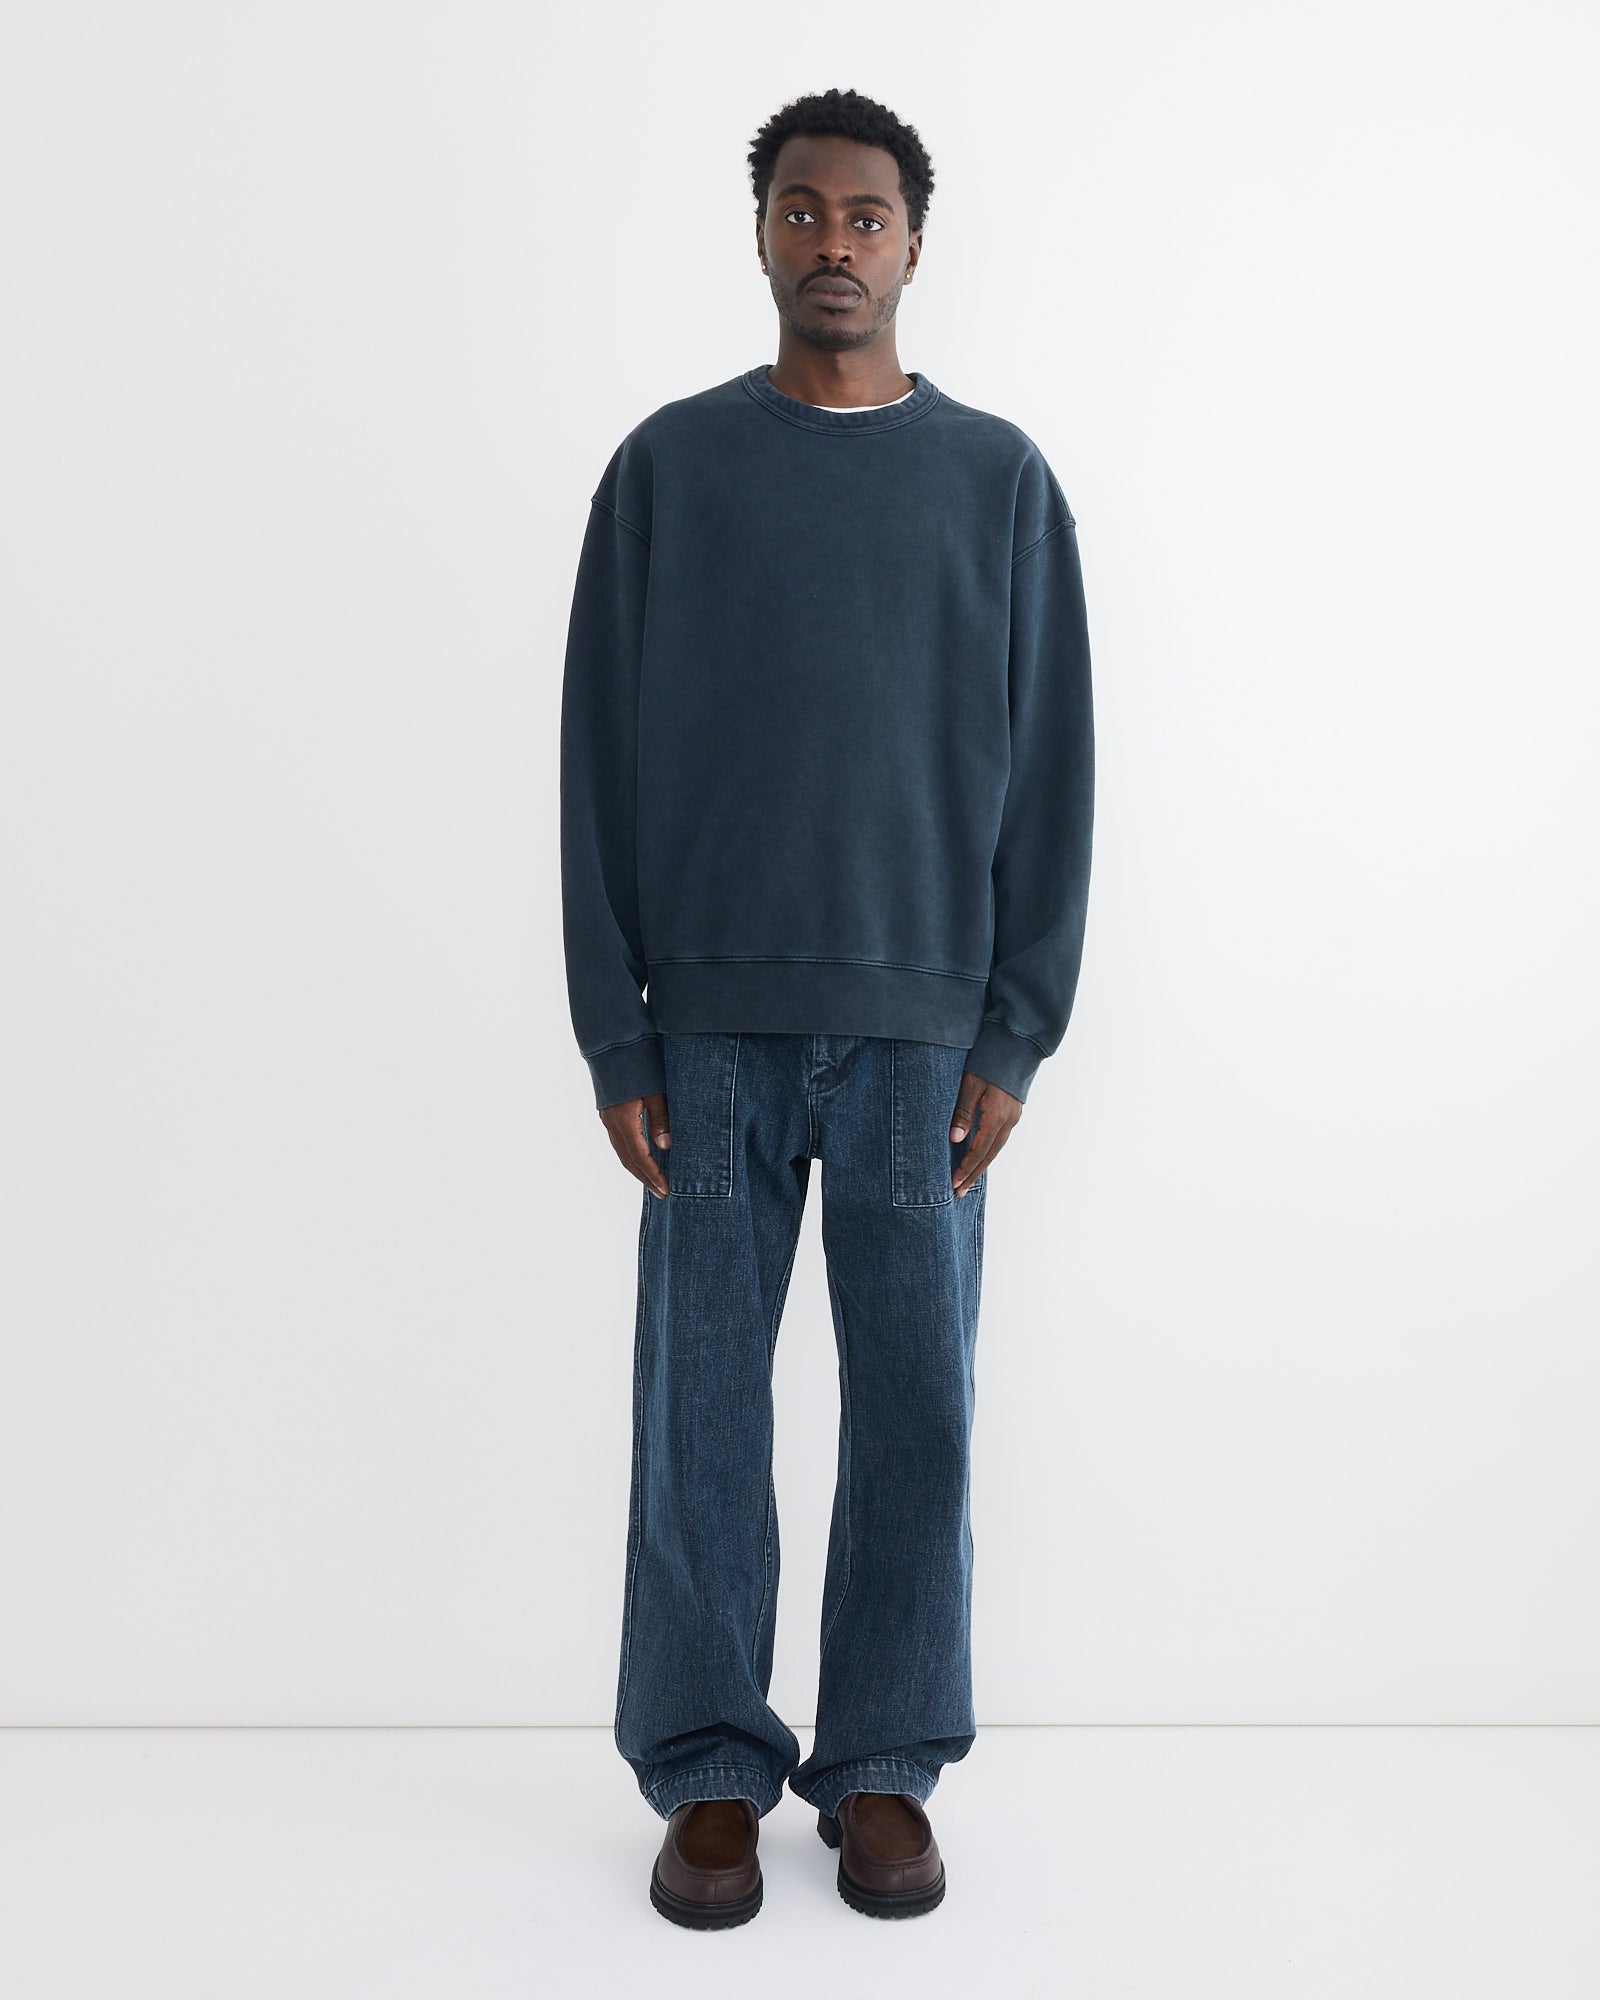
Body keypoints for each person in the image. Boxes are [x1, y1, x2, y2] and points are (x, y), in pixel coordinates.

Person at [558, 85, 1095, 1927]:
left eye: (869, 217)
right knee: (700, 1406)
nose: (836, 244)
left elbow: (1059, 772)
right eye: (805, 211)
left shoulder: (1000, 485)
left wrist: (1014, 1029)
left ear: (916, 245)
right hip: (703, 1027)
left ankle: (880, 1763)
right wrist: (614, 1034)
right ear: (762, 232)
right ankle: (709, 1759)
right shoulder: (668, 474)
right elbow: (592, 768)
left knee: (918, 1410)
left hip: (922, 1032)